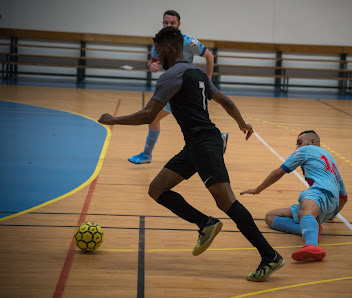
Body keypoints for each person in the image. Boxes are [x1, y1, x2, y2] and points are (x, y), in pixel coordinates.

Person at [99, 26, 284, 282]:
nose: (156, 58)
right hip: (197, 145)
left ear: (167, 48)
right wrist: (242, 123)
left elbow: (148, 115)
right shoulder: (196, 73)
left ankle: (270, 255)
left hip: (204, 144)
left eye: (156, 52)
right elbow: (226, 101)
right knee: (157, 189)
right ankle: (205, 223)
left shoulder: (170, 76)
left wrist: (114, 120)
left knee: (226, 201)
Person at [128, 10, 229, 164]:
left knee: (158, 117)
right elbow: (152, 61)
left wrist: (208, 80)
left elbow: (209, 56)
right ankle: (217, 139)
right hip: (172, 88)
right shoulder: (159, 42)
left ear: (179, 24)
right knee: (183, 120)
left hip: (186, 88)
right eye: (166, 23)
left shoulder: (189, 42)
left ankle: (147, 155)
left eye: (172, 23)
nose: (169, 25)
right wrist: (152, 66)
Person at [241, 130, 348, 262]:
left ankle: (312, 246)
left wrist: (258, 189)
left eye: (299, 143)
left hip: (320, 192)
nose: (297, 147)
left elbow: (278, 172)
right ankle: (313, 228)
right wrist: (331, 214)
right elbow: (344, 197)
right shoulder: (330, 159)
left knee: (305, 206)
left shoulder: (306, 150)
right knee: (270, 217)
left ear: (312, 142)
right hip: (331, 203)